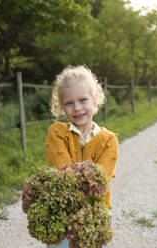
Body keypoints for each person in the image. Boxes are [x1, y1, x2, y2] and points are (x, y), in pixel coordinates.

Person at [45, 65, 119, 248]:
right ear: (61, 107)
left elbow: (100, 180)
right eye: (69, 103)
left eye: (83, 100)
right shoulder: (57, 133)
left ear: (95, 100)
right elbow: (63, 171)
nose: (77, 108)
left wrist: (82, 182)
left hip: (95, 212)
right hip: (62, 211)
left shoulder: (108, 140)